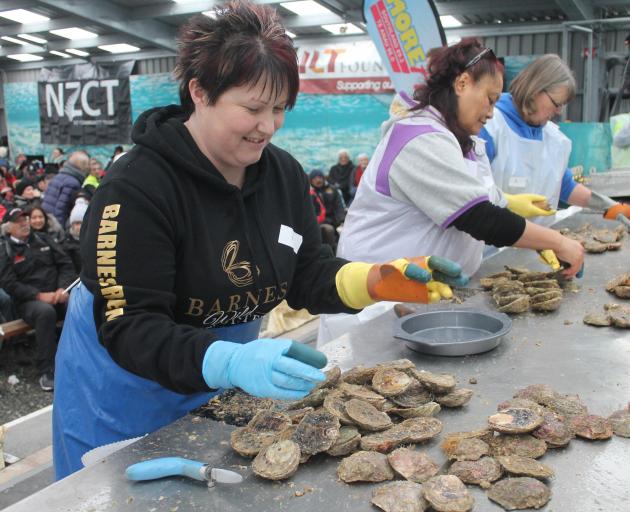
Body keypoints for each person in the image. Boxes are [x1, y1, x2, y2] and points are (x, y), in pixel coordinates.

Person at [52, 0, 467, 480]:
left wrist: (377, 279)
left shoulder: (282, 175)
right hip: (127, 386)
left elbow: (305, 273)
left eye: (279, 109)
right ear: (200, 92)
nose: (267, 126)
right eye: (252, 108)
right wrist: (229, 360)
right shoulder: (137, 189)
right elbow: (131, 327)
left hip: (228, 374)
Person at [323, 39, 584, 344]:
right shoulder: (419, 138)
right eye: (489, 98)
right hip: (379, 309)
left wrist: (514, 208)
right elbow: (478, 217)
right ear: (462, 83)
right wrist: (557, 241)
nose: (491, 111)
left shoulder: (465, 141)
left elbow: (484, 199)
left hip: (426, 305)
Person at [480, 54, 630, 224]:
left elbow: (564, 185)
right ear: (535, 91)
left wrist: (608, 205)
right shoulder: (489, 127)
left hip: (538, 244)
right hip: (492, 248)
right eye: (557, 103)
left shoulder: (552, 138)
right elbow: (472, 192)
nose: (559, 111)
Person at [0, 207, 75, 391]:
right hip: (28, 303)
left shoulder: (44, 239)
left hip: (57, 294)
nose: (25, 223)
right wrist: (39, 296)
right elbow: (10, 284)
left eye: (26, 219)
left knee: (77, 305)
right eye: (19, 221)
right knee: (45, 313)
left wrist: (62, 288)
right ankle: (47, 370)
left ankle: (77, 358)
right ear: (9, 228)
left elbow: (65, 264)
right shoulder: (5, 250)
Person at [41, 150, 91, 227]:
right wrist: (60, 230)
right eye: (87, 164)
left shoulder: (58, 176)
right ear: (82, 166)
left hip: (47, 219)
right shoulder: (72, 183)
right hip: (55, 224)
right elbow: (61, 209)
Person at [309, 169, 346, 252]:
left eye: (320, 177)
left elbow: (339, 207)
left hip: (333, 220)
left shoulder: (333, 190)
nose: (318, 180)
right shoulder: (309, 193)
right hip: (317, 222)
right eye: (315, 178)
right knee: (328, 230)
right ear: (311, 180)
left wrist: (341, 220)